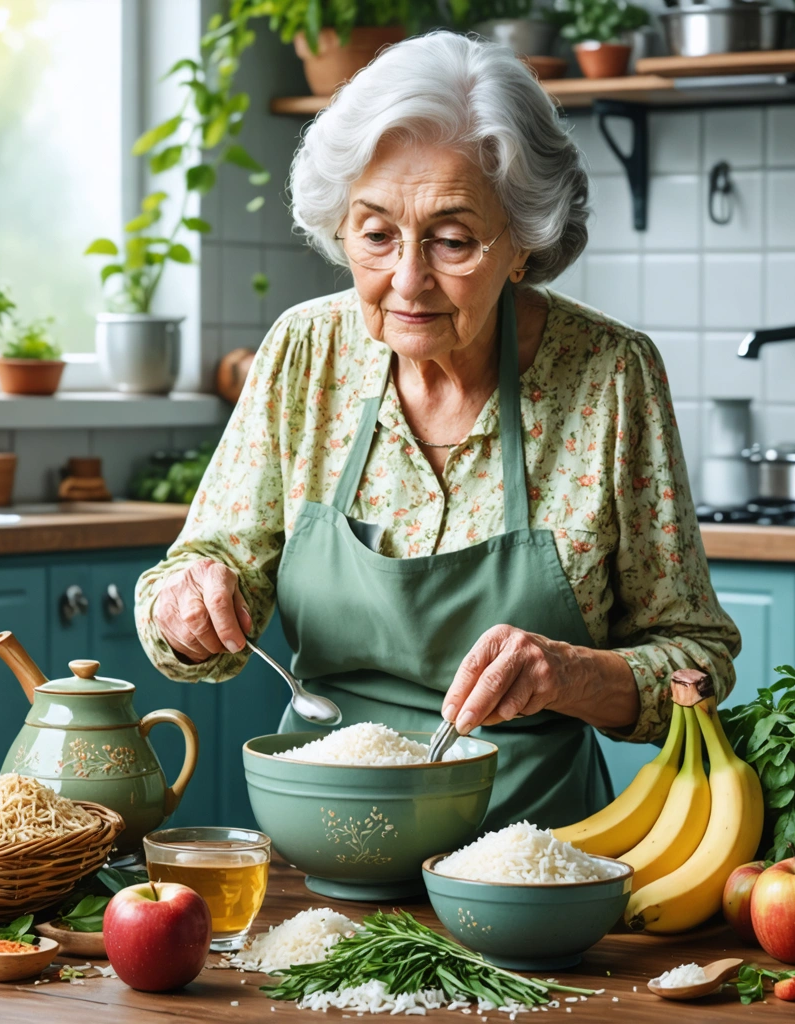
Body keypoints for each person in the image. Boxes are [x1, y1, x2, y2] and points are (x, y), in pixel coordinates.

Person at [135, 31, 740, 829]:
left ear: (521, 243)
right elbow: (197, 574)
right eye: (376, 235)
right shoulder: (305, 351)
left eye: (453, 240)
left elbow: (698, 658)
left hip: (531, 857)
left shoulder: (610, 374)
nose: (409, 279)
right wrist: (187, 604)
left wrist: (571, 674)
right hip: (322, 840)